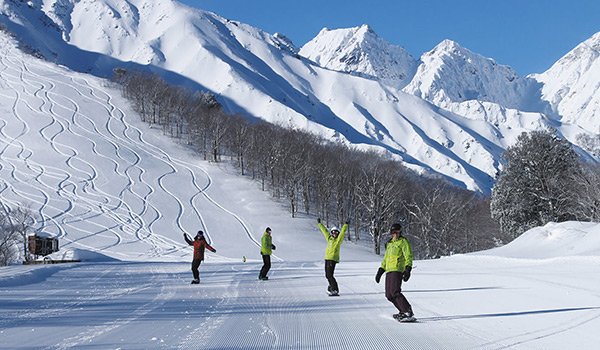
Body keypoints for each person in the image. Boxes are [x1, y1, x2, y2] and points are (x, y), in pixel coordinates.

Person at [375, 223, 415, 321]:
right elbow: (386, 258)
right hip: (389, 270)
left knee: (395, 292)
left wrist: (408, 269)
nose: (395, 235)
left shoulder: (403, 242)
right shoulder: (390, 243)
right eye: (393, 233)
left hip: (397, 270)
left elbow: (409, 256)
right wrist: (381, 270)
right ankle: (402, 311)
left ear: (400, 232)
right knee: (389, 295)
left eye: (397, 232)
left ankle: (407, 311)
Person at [318, 218, 349, 296]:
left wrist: (346, 225)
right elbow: (325, 231)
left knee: (329, 275)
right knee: (327, 275)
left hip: (333, 259)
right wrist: (319, 224)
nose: (334, 233)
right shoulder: (329, 239)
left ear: (337, 233)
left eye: (335, 232)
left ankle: (335, 289)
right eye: (333, 232)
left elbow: (342, 233)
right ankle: (331, 286)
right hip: (327, 258)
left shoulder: (338, 240)